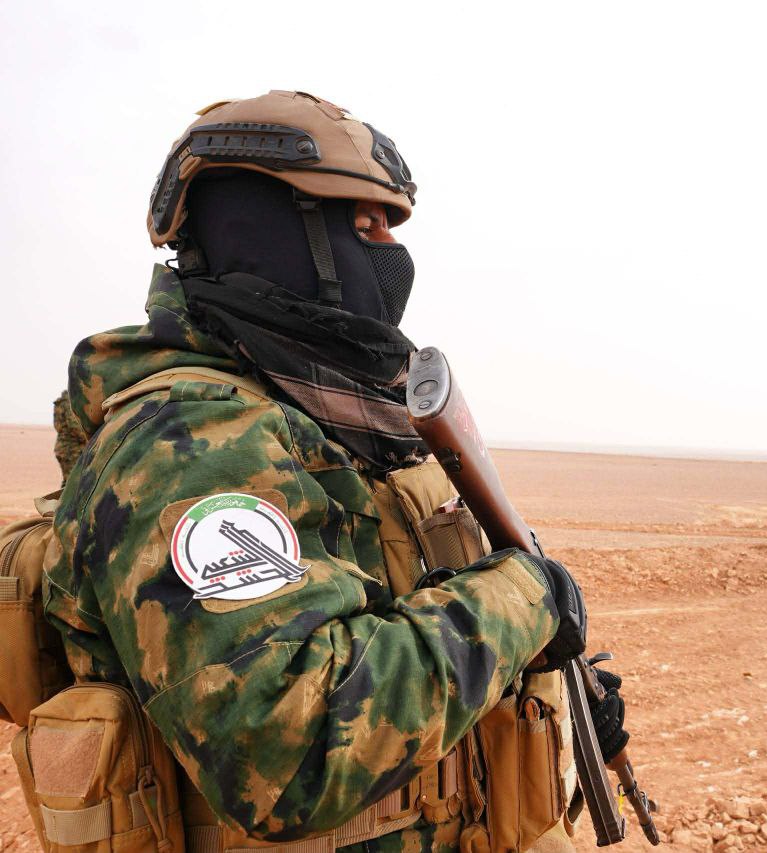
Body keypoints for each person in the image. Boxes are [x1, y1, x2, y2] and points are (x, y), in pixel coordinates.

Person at [40, 90, 625, 852]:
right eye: (367, 226)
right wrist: (524, 600)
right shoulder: (189, 442)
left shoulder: (334, 422)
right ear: (281, 236)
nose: (392, 255)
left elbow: (402, 625)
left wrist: (541, 682)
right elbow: (288, 744)